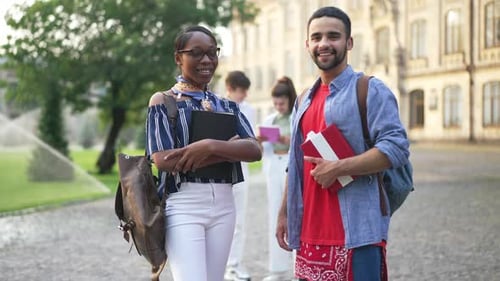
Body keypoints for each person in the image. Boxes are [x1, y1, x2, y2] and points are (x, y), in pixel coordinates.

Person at [276, 6, 410, 281]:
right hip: (309, 234)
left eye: (333, 36)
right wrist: (284, 213)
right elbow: (294, 164)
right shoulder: (303, 100)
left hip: (356, 231)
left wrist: (338, 168)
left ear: (349, 42)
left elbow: (396, 147)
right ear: (308, 45)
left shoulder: (370, 89)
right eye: (316, 37)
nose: (324, 43)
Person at [146, 25, 262, 281]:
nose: (207, 60)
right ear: (179, 58)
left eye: (212, 52)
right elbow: (164, 160)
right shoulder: (164, 101)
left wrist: (208, 146)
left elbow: (254, 150)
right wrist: (231, 150)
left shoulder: (226, 105)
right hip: (184, 204)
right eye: (196, 53)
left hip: (224, 204)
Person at [257, 76, 297, 281]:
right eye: (275, 103)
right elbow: (263, 148)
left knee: (295, 215)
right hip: (274, 167)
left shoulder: (297, 117)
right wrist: (261, 139)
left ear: (289, 100)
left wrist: (284, 139)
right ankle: (277, 269)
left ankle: (299, 267)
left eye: (281, 103)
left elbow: (302, 143)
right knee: (275, 215)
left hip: (292, 168)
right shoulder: (269, 120)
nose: (278, 106)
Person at [224, 70, 255, 281]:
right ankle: (222, 265)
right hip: (222, 172)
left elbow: (250, 139)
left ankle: (235, 265)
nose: (244, 95)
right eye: (241, 91)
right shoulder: (217, 106)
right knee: (221, 221)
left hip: (242, 171)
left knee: (240, 222)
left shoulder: (249, 110)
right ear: (230, 89)